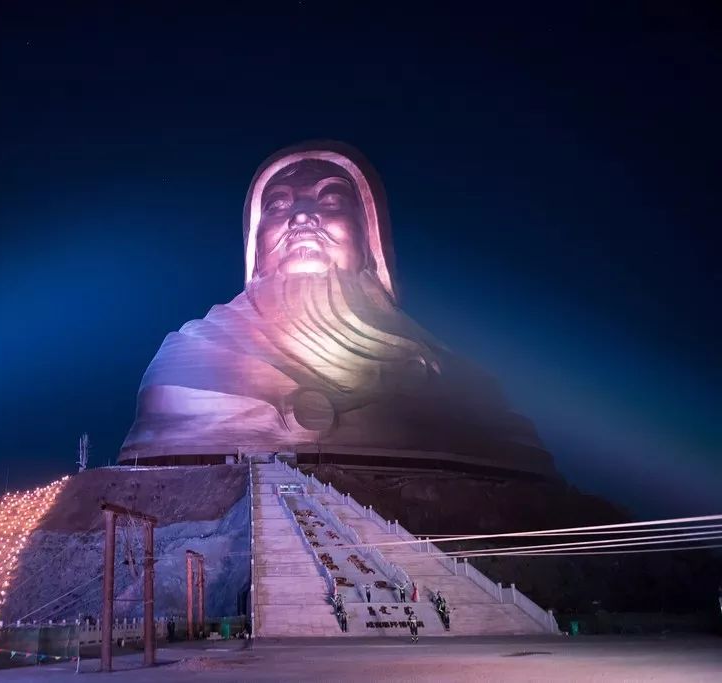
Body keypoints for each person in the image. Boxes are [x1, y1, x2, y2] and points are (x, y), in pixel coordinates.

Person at [118, 142, 556, 481]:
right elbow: (168, 399)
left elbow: (494, 420)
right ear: (255, 243)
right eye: (279, 204)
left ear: (370, 241)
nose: (302, 218)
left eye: (330, 201)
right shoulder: (196, 348)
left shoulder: (445, 370)